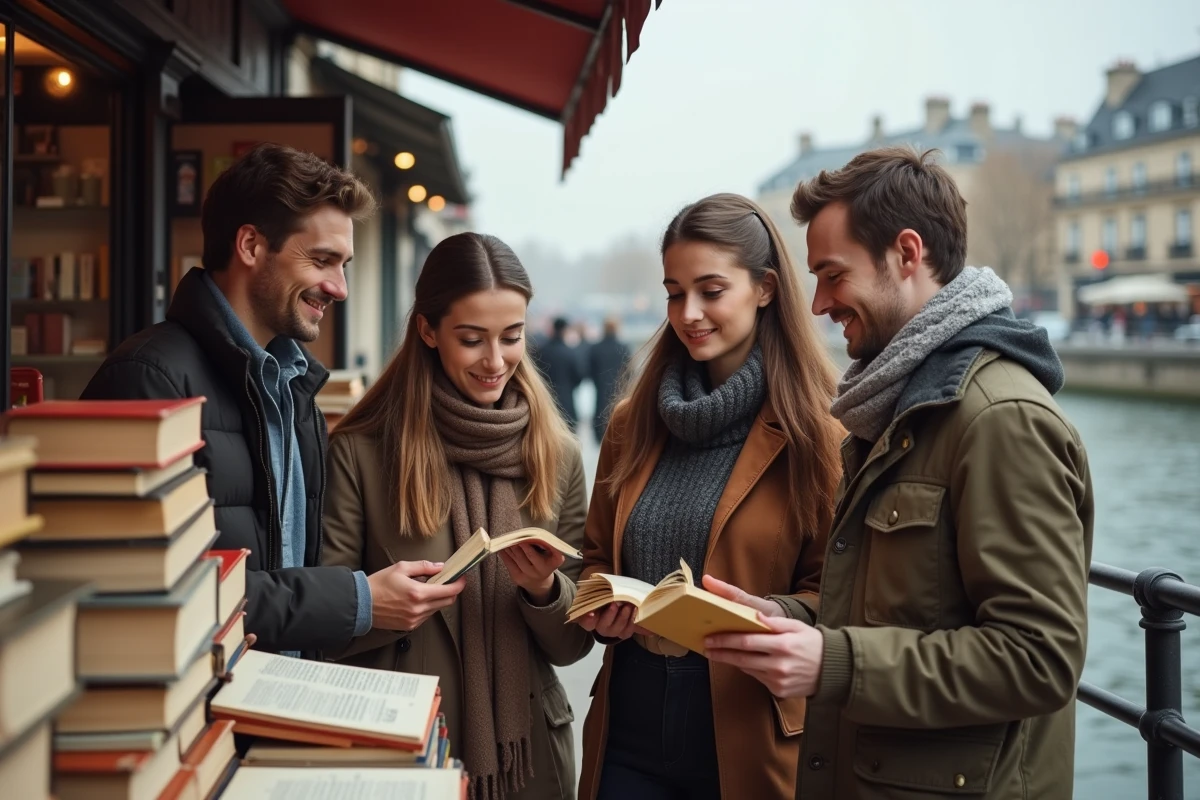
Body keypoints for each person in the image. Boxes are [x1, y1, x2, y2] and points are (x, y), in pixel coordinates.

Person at [704, 146, 1094, 800]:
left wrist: (833, 662)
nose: (820, 303)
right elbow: (900, 607)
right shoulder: (900, 403)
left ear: (908, 254)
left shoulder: (999, 420)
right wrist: (782, 617)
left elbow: (1039, 659)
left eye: (833, 275)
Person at [81, 143, 432, 656]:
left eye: (345, 265)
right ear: (249, 245)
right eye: (322, 260)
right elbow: (147, 592)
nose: (340, 288)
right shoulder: (145, 380)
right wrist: (357, 599)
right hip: (202, 724)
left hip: (273, 708)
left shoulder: (296, 390)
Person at [574, 193, 845, 800]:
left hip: (749, 723)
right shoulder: (629, 423)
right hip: (630, 714)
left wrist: (768, 613)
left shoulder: (820, 436)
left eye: (711, 290)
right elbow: (595, 559)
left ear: (766, 288)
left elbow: (842, 594)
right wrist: (602, 607)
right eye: (674, 292)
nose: (688, 312)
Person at [321, 232, 592, 800]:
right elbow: (321, 622)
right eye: (472, 340)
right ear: (427, 330)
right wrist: (376, 603)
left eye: (512, 337)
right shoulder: (362, 451)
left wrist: (544, 590)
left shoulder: (556, 454)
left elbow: (572, 646)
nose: (496, 362)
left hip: (528, 756)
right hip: (404, 736)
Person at [533, 316, 584, 431]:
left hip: (545, 399)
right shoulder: (570, 352)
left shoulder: (541, 351)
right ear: (565, 330)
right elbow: (579, 375)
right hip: (566, 400)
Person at [586, 316, 632, 445]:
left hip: (600, 390)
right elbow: (629, 372)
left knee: (600, 417)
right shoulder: (623, 347)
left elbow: (589, 371)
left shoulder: (595, 348)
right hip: (619, 391)